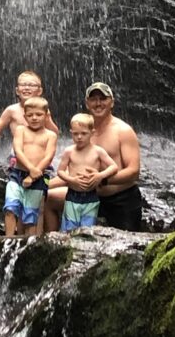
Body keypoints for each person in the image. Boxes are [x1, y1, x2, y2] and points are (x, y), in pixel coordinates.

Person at [45, 81, 142, 231]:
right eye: (93, 99)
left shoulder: (123, 131)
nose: (98, 103)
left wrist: (102, 179)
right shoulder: (82, 132)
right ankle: (52, 244)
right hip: (85, 196)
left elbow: (134, 172)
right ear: (87, 103)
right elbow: (73, 173)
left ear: (112, 102)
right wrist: (41, 186)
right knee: (48, 198)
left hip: (119, 199)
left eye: (103, 99)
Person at [5, 97, 58, 237]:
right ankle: (7, 239)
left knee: (31, 214)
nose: (34, 118)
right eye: (30, 115)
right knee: (10, 207)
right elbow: (18, 150)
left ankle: (29, 243)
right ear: (25, 116)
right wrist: (31, 169)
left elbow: (49, 156)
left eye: (39, 114)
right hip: (17, 174)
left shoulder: (50, 135)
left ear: (46, 115)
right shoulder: (21, 130)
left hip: (39, 178)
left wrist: (35, 173)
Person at [57, 113, 118, 231]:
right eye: (76, 134)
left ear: (92, 133)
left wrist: (100, 176)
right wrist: (71, 180)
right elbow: (60, 171)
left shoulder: (98, 151)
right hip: (72, 196)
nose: (79, 137)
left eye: (83, 133)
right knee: (69, 229)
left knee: (87, 229)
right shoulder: (69, 151)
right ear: (71, 133)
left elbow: (113, 167)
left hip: (91, 196)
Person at [0, 69, 59, 156]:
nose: (27, 88)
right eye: (23, 85)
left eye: (31, 85)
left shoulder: (42, 110)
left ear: (39, 91)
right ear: (17, 91)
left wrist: (48, 120)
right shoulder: (12, 110)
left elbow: (54, 134)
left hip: (39, 153)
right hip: (17, 153)